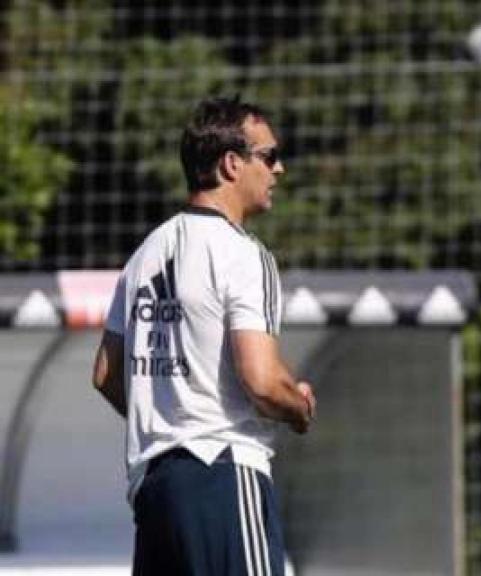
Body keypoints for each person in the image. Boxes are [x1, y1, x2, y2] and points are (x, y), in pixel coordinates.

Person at [92, 95, 316, 576]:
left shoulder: (145, 254)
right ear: (232, 164)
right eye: (270, 156)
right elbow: (259, 381)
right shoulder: (240, 252)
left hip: (155, 490)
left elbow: (106, 374)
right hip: (224, 474)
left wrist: (172, 410)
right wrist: (298, 407)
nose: (279, 170)